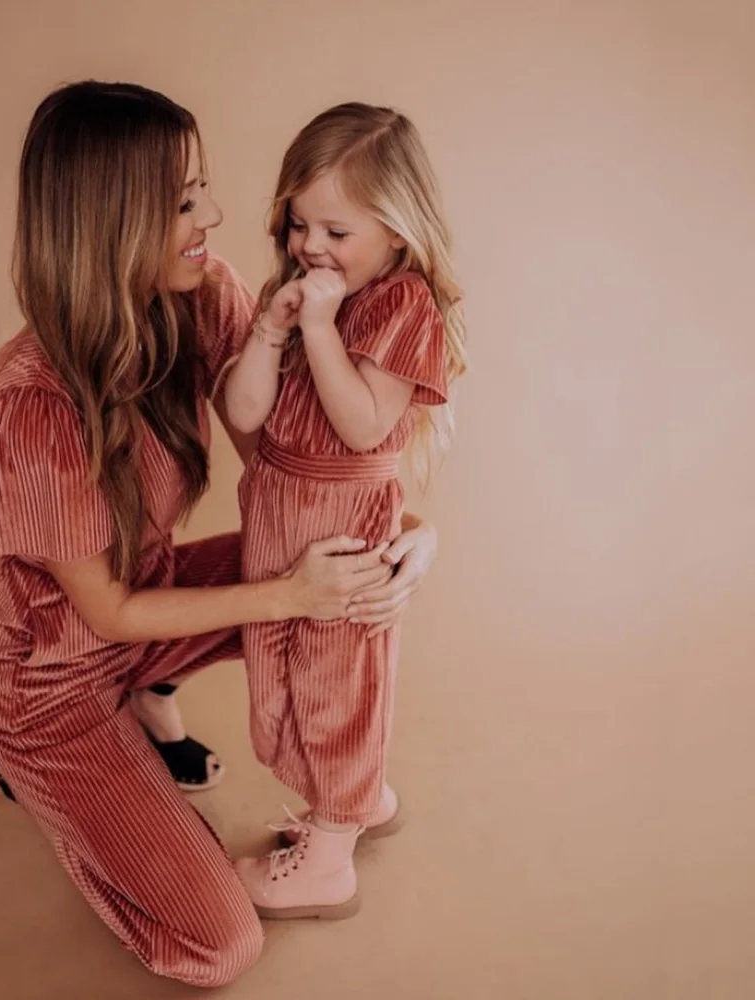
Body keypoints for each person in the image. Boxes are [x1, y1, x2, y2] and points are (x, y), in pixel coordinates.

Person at [0, 81, 439, 988]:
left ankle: (156, 712)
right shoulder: (31, 405)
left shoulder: (201, 298)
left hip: (148, 609)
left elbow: (295, 468)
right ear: (110, 222)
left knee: (341, 571)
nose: (214, 217)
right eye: (182, 201)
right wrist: (294, 595)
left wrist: (409, 539)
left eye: (203, 189)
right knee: (221, 943)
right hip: (50, 676)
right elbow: (108, 613)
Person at [224, 102, 467, 920]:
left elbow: (363, 425)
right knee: (286, 677)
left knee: (336, 683)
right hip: (278, 511)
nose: (310, 247)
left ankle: (330, 858)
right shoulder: (297, 294)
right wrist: (270, 329)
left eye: (336, 230)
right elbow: (246, 413)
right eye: (299, 225)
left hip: (341, 521)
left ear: (397, 231)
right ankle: (361, 803)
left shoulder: (404, 306)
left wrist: (321, 329)